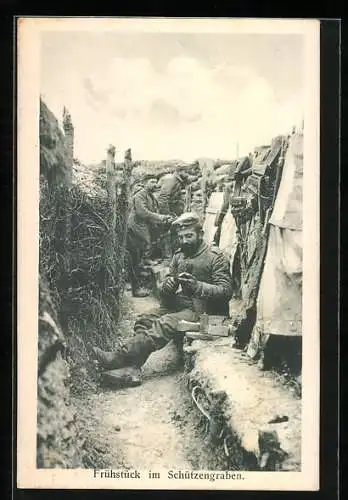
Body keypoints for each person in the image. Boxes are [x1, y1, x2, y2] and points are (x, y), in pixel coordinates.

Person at [91, 212, 233, 388]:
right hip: (180, 305)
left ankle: (119, 357)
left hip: (204, 312)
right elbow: (165, 295)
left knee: (164, 323)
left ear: (200, 234)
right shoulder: (179, 256)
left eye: (189, 236)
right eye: (181, 237)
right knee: (145, 319)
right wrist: (168, 286)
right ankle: (133, 368)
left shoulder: (215, 257)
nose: (184, 241)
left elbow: (226, 291)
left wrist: (197, 286)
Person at [126, 173, 173, 297]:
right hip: (135, 229)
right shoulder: (140, 195)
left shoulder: (150, 196)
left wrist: (163, 218)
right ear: (145, 182)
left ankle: (139, 285)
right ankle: (135, 289)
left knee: (141, 256)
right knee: (136, 258)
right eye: (152, 182)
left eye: (156, 182)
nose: (155, 184)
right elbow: (143, 213)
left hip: (143, 228)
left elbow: (154, 211)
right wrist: (160, 217)